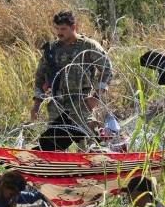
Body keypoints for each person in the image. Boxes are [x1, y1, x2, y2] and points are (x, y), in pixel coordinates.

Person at [31, 10, 113, 151]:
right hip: (57, 104)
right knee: (55, 146)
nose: (59, 33)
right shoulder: (51, 50)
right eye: (57, 29)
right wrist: (36, 104)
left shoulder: (87, 46)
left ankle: (93, 170)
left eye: (63, 29)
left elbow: (107, 69)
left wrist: (96, 96)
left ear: (74, 27)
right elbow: (40, 76)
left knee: (87, 146)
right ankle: (59, 171)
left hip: (81, 104)